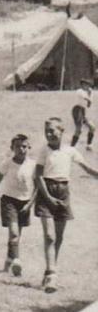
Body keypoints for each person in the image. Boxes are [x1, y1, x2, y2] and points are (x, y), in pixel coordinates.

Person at [33, 117, 98, 293]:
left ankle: (50, 270)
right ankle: (52, 274)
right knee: (49, 236)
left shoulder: (70, 151)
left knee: (59, 237)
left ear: (62, 131)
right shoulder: (44, 151)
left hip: (63, 192)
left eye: (52, 131)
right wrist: (47, 197)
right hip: (46, 191)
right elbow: (37, 176)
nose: (49, 134)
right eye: (46, 131)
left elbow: (86, 168)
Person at [0, 134, 36, 278]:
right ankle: (16, 261)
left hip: (25, 202)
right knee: (14, 233)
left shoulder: (33, 165)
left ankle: (8, 262)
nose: (21, 149)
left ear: (29, 148)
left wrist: (31, 203)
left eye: (24, 146)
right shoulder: (7, 163)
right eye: (17, 147)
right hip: (9, 201)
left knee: (16, 235)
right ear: (12, 148)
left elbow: (38, 185)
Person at [70, 79, 94, 149]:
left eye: (87, 84)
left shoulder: (88, 92)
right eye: (84, 84)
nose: (85, 86)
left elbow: (89, 105)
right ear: (81, 85)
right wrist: (90, 94)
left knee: (92, 128)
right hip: (77, 110)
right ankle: (72, 147)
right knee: (79, 129)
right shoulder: (79, 91)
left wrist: (90, 94)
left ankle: (88, 145)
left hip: (83, 111)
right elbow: (88, 100)